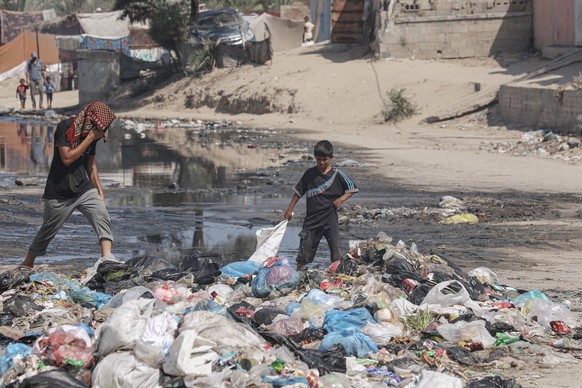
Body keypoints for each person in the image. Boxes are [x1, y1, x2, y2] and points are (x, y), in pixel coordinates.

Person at [21, 102, 117, 268]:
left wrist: (100, 192)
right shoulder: (65, 127)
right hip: (59, 191)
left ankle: (107, 258)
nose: (101, 135)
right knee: (47, 231)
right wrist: (89, 139)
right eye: (99, 130)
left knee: (102, 216)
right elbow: (67, 159)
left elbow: (91, 166)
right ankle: (28, 263)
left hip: (83, 189)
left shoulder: (93, 135)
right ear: (90, 121)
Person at [284, 140, 359, 270]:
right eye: (319, 159)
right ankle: (298, 275)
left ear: (331, 158)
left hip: (330, 219)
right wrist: (289, 210)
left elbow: (352, 189)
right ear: (315, 158)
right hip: (311, 220)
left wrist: (340, 200)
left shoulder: (337, 174)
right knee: (304, 253)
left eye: (325, 159)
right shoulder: (309, 174)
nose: (322, 162)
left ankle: (336, 275)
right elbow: (298, 192)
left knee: (336, 251)